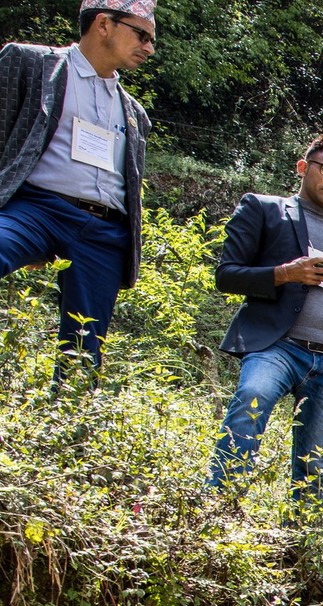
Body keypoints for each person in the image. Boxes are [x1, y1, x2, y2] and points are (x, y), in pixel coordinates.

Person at [208, 133, 323, 503]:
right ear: (303, 167)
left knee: (317, 460)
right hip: (276, 346)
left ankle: (301, 547)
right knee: (250, 402)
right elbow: (227, 274)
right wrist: (285, 274)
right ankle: (219, 508)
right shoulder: (263, 209)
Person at [0, 1, 154, 368]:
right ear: (103, 24)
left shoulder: (135, 113)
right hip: (37, 209)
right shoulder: (30, 62)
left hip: (103, 232)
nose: (150, 48)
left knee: (83, 355)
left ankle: (72, 423)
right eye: (142, 35)